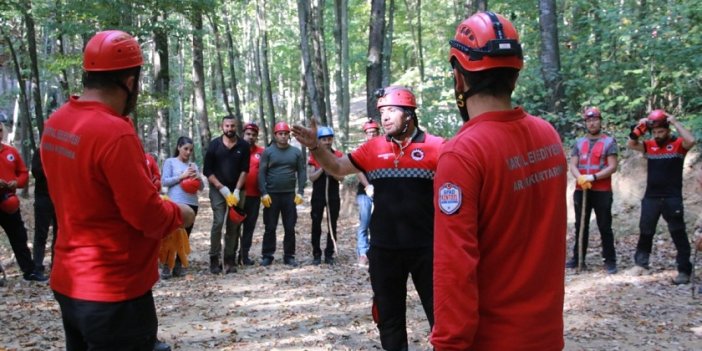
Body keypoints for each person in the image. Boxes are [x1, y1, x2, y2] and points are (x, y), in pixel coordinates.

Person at [40, 30, 195, 351]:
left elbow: (87, 192)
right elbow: (147, 216)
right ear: (129, 81)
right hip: (114, 292)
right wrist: (180, 214)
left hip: (69, 282)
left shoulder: (56, 123)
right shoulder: (115, 133)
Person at [432, 12, 568, 350]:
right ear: (514, 76)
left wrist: (448, 345)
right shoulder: (548, 136)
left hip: (493, 341)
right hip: (546, 336)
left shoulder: (462, 156)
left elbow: (454, 268)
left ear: (459, 79)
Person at [292, 86, 443, 350]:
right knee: (389, 319)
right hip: (384, 251)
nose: (384, 118)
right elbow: (337, 167)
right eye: (382, 112)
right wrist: (315, 146)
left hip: (427, 251)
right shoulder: (373, 148)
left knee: (441, 319)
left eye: (392, 111)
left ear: (409, 114)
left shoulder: (437, 147)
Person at [627, 109, 696, 284]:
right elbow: (631, 144)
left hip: (672, 197)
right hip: (651, 196)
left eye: (661, 132)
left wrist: (674, 122)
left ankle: (684, 271)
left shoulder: (679, 145)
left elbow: (691, 140)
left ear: (668, 131)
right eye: (655, 132)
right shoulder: (650, 145)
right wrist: (640, 127)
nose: (658, 135)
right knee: (646, 230)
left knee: (678, 232)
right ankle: (641, 264)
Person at [566, 107, 619, 274]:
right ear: (585, 123)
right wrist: (580, 177)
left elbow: (612, 166)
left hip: (602, 190)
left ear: (600, 121)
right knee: (581, 225)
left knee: (605, 225)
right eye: (589, 120)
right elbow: (573, 165)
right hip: (582, 189)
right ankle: (578, 258)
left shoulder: (609, 142)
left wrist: (593, 177)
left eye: (595, 119)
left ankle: (610, 261)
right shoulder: (579, 143)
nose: (592, 123)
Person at [203, 115, 250, 274]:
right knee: (218, 222)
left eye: (233, 126)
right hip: (218, 190)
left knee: (233, 225)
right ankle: (214, 258)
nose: (230, 129)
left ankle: (229, 259)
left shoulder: (243, 145)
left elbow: (245, 170)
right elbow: (207, 170)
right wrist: (221, 188)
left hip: (237, 190)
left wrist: (236, 190)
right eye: (227, 126)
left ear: (237, 127)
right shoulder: (214, 145)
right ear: (222, 127)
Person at [0, 126, 47, 282]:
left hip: (8, 201)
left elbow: (23, 172)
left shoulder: (11, 152)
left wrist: (16, 183)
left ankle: (30, 271)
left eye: (0, 129)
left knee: (19, 237)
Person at [259, 121, 306, 267]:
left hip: (289, 195)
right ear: (275, 135)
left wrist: (300, 192)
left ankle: (289, 256)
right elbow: (261, 173)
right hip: (272, 195)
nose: (283, 136)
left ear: (289, 136)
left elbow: (302, 172)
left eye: (286, 134)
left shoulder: (296, 152)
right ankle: (267, 255)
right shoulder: (268, 152)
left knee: (290, 227)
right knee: (270, 226)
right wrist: (264, 193)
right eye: (280, 134)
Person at [161, 136, 203, 278]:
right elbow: (164, 182)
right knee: (171, 235)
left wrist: (198, 178)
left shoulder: (193, 165)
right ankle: (167, 266)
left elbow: (201, 188)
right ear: (179, 147)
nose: (188, 152)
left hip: (192, 203)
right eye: (185, 149)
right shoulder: (170, 162)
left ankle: (178, 265)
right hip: (176, 203)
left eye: (190, 150)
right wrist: (182, 176)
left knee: (185, 236)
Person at [307, 126, 344, 265]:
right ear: (319, 141)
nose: (327, 142)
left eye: (329, 139)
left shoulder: (338, 155)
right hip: (318, 195)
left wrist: (332, 170)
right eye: (324, 140)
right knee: (316, 223)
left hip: (333, 195)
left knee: (332, 224)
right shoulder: (314, 155)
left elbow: (341, 178)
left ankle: (329, 254)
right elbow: (311, 177)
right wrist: (323, 167)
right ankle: (316, 253)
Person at [239, 122, 265, 266]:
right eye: (248, 134)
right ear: (243, 134)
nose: (251, 137)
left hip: (254, 195)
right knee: (235, 227)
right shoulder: (236, 149)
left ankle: (244, 255)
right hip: (237, 195)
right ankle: (230, 255)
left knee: (249, 226)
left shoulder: (261, 152)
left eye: (254, 135)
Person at [355, 119, 380, 267]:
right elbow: (357, 170)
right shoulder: (361, 150)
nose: (371, 136)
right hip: (365, 193)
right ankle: (363, 254)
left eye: (374, 133)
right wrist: (367, 186)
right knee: (364, 223)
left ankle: (376, 252)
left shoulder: (385, 148)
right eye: (369, 133)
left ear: (378, 133)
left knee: (379, 224)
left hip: (381, 192)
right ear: (365, 135)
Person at [31, 149, 58, 275]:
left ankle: (56, 264)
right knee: (41, 234)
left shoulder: (63, 152)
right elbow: (36, 172)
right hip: (43, 197)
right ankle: (37, 266)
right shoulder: (40, 151)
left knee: (59, 233)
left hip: (59, 198)